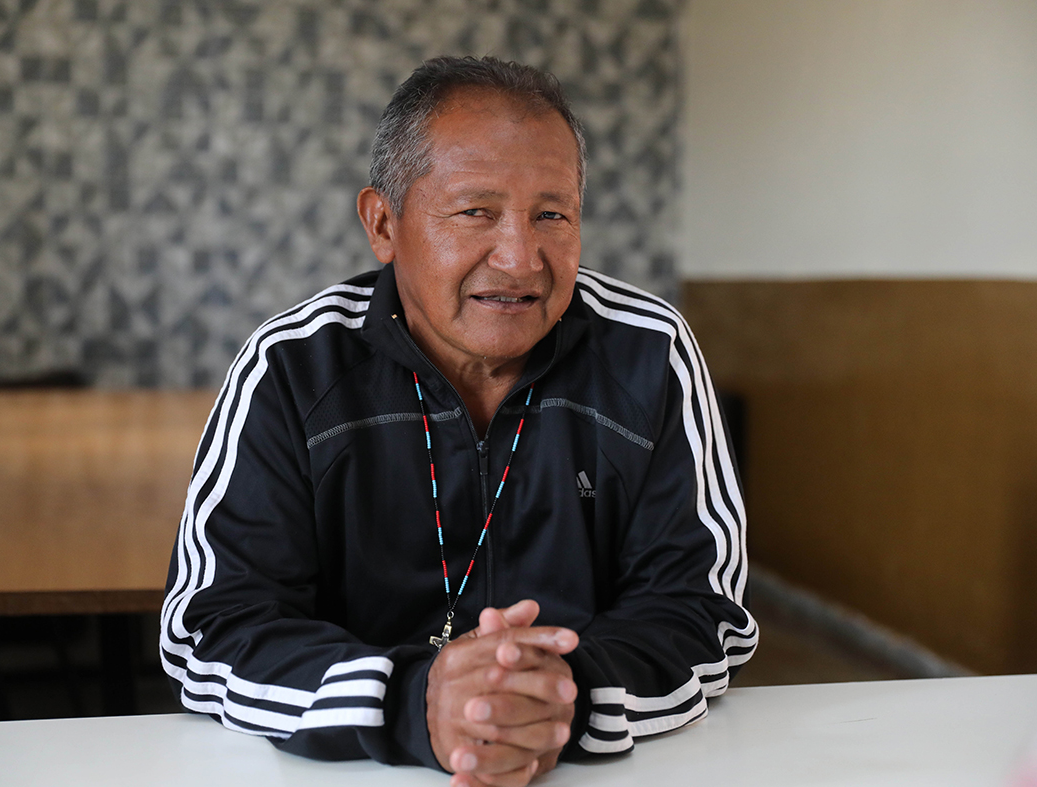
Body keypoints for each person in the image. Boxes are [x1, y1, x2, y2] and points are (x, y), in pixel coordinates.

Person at [161, 55, 756, 787]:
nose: (520, 259)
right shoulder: (292, 367)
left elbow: (701, 610)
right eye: (476, 211)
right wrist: (413, 703)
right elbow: (213, 627)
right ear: (383, 223)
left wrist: (561, 695)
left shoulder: (648, 353)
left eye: (552, 215)